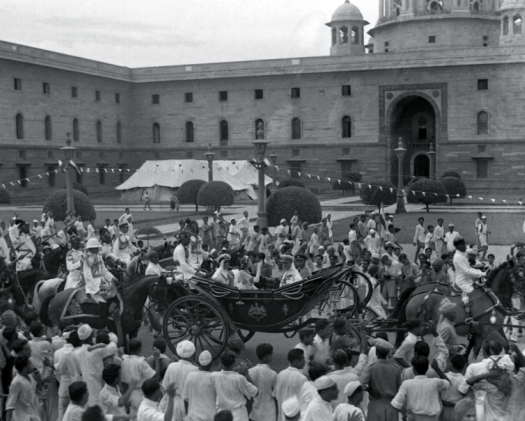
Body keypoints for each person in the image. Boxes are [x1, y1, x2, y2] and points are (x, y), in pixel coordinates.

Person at [391, 356, 450, 420]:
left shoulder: (407, 384)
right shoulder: (435, 382)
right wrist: (437, 369)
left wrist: (406, 413)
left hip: (414, 418)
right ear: (427, 369)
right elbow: (448, 383)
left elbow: (395, 404)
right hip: (431, 418)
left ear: (413, 369)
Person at [76, 324, 118, 407]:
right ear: (91, 336)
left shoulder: (78, 353)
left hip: (87, 389)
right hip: (99, 387)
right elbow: (113, 347)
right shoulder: (96, 350)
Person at [211, 350, 258, 421]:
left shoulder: (214, 376)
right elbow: (255, 392)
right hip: (239, 415)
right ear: (235, 363)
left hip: (221, 415)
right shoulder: (239, 379)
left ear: (221, 363)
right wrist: (247, 375)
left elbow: (219, 373)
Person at [160, 340, 197, 419]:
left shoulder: (171, 366)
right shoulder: (195, 370)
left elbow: (164, 387)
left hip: (172, 402)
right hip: (188, 405)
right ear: (193, 354)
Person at [120, 339, 157, 416]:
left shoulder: (124, 361)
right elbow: (153, 376)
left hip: (129, 394)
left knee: (133, 417)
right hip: (140, 394)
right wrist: (156, 359)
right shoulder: (140, 362)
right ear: (140, 349)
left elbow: (123, 382)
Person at [274, 349, 307, 421]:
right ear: (296, 361)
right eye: (303, 359)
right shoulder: (303, 378)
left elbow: (276, 397)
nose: (305, 362)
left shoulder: (280, 374)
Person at [6, 355, 42, 421]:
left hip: (34, 415)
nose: (33, 366)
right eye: (30, 364)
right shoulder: (16, 382)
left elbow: (39, 391)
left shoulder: (30, 377)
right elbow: (10, 405)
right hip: (22, 417)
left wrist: (39, 378)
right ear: (25, 368)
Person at [182, 351, 216, 421]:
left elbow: (185, 399)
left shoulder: (190, 376)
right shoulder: (214, 377)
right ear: (211, 364)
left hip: (193, 417)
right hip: (210, 417)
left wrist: (187, 415)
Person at [249, 344, 277, 421]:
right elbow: (275, 395)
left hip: (255, 412)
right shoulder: (273, 374)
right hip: (270, 413)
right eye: (271, 354)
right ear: (266, 356)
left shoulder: (250, 372)